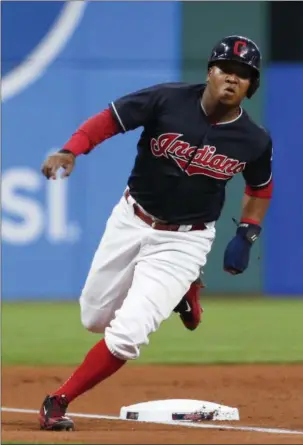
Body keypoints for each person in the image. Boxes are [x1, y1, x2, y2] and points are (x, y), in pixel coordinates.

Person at [39, 35, 273, 431]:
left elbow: (260, 188)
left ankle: (57, 401)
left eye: (243, 75)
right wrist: (71, 149)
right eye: (225, 70)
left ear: (252, 86)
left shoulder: (253, 139)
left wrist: (247, 234)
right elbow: (109, 120)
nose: (232, 79)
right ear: (209, 72)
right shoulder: (167, 99)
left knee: (128, 335)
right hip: (132, 218)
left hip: (185, 239)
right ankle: (183, 291)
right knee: (94, 318)